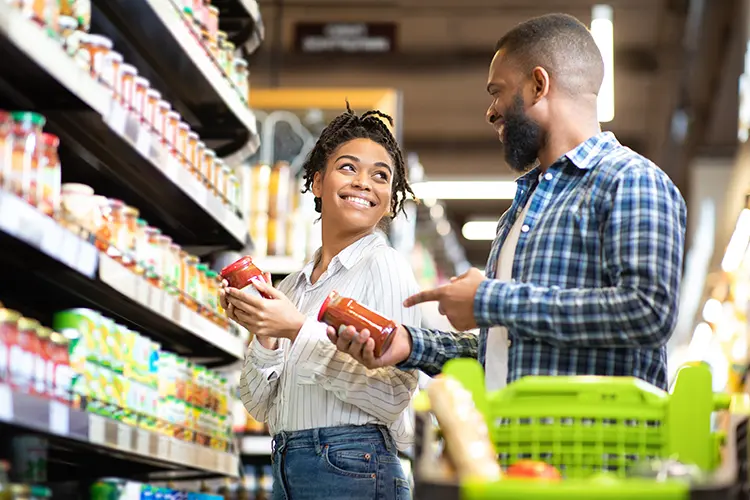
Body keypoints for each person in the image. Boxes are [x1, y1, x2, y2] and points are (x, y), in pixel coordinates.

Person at [327, 13, 687, 392]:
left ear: (537, 85)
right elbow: (501, 350)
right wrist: (411, 344)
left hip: (595, 447)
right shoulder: (522, 210)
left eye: (497, 91)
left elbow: (648, 312)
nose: (491, 110)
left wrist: (489, 299)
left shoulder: (630, 180)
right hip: (514, 444)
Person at [221, 104, 420, 500]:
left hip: (355, 466)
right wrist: (265, 334)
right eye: (348, 168)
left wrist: (296, 329)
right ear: (317, 182)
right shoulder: (294, 286)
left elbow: (394, 394)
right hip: (289, 466)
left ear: (390, 198)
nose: (364, 182)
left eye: (381, 176)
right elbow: (259, 406)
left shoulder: (385, 267)